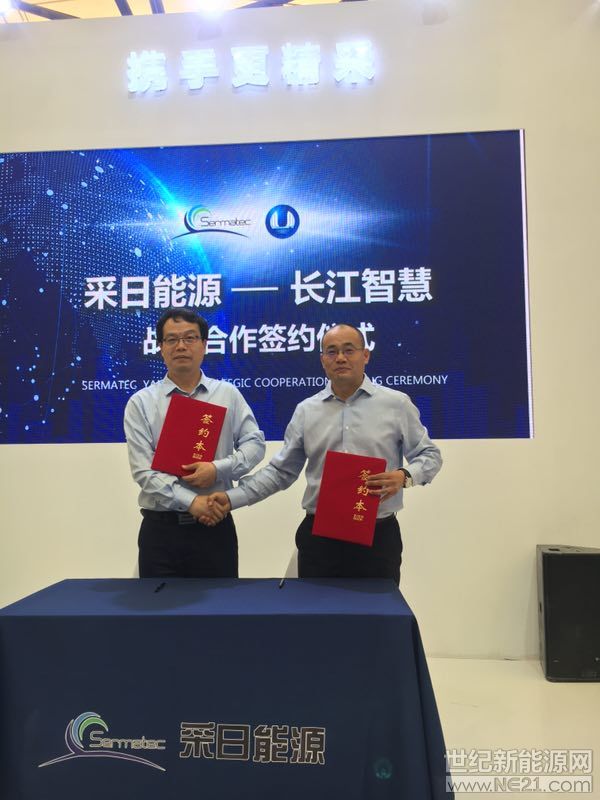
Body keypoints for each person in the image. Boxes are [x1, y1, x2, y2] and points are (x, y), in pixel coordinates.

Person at [208, 323, 441, 584]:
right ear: (322, 360)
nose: (340, 358)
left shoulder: (396, 404)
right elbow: (280, 472)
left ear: (365, 355)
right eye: (331, 351)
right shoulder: (307, 410)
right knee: (316, 610)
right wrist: (231, 498)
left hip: (377, 537)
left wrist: (404, 476)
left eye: (349, 350)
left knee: (376, 611)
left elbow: (429, 455)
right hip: (320, 539)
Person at [124, 309, 265, 578]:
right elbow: (143, 471)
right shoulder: (141, 403)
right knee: (158, 605)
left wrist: (217, 469)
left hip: (215, 529)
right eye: (171, 339)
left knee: (219, 605)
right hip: (161, 532)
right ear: (160, 347)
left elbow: (255, 444)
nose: (181, 346)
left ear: (204, 344)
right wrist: (191, 502)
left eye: (190, 338)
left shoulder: (227, 394)